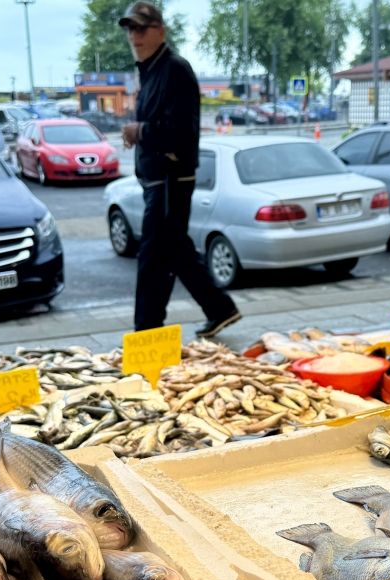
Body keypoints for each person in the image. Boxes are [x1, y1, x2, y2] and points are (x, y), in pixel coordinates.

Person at [119, 1, 241, 337]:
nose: (134, 36)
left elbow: (181, 132)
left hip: (170, 178)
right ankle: (220, 308)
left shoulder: (174, 69)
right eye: (130, 29)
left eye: (141, 28)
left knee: (153, 257)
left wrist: (140, 131)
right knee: (175, 248)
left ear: (160, 31)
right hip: (159, 178)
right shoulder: (152, 69)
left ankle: (147, 334)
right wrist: (141, 133)